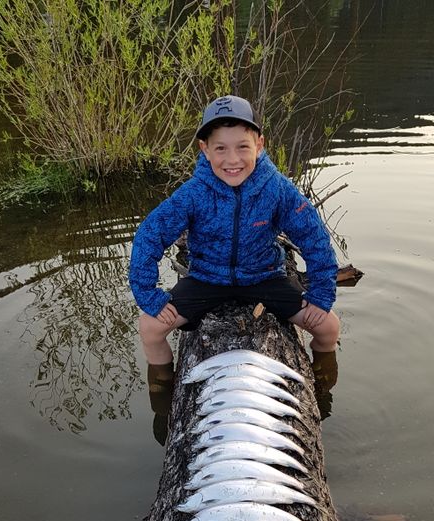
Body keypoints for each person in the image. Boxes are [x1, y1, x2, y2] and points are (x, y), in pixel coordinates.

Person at [129, 95, 340, 433]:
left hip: (263, 277)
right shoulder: (194, 192)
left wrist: (321, 295)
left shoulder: (277, 190)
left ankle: (321, 391)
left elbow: (314, 239)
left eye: (242, 147)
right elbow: (150, 235)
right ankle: (163, 403)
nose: (232, 159)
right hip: (207, 279)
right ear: (204, 149)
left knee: (329, 327)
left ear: (259, 143)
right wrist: (149, 293)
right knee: (151, 327)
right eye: (220, 149)